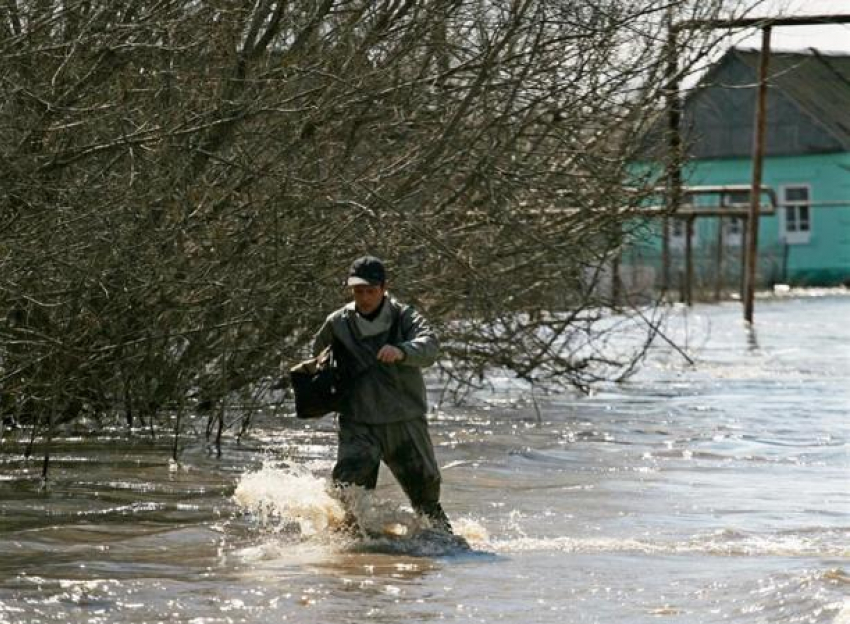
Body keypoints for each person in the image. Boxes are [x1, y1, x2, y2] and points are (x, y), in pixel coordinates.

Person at [312, 255, 452, 534]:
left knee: (426, 501)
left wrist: (402, 351)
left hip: (404, 420)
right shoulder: (337, 322)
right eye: (358, 291)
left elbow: (430, 346)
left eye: (370, 291)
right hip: (357, 422)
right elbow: (316, 356)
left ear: (384, 288)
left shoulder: (404, 317)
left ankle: (442, 549)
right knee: (349, 498)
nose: (363, 298)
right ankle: (351, 556)